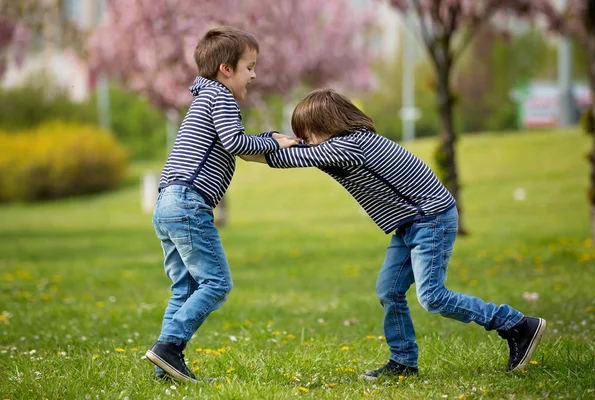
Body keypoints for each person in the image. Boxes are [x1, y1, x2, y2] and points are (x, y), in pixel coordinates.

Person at [239, 88, 546, 379]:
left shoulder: (350, 147)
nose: (305, 140)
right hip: (410, 223)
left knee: (433, 297)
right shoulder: (346, 144)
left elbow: (284, 157)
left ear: (327, 125)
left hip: (430, 219)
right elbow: (287, 152)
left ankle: (517, 325)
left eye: (307, 133)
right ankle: (403, 362)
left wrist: (238, 143)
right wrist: (267, 140)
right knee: (390, 290)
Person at [145, 26, 298, 383]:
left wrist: (276, 144)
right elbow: (235, 142)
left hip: (167, 204)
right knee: (216, 283)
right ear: (226, 69)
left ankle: (164, 369)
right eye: (249, 67)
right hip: (188, 204)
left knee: (183, 288)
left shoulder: (204, 98)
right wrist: (273, 140)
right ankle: (169, 347)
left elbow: (240, 149)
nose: (254, 75)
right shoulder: (221, 98)